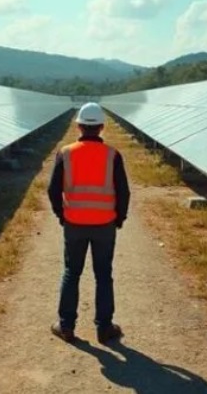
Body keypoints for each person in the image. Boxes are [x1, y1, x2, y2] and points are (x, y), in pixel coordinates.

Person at [48, 102, 130, 345]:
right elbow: (123, 192)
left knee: (71, 273)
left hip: (74, 224)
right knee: (103, 275)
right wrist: (119, 218)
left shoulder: (65, 153)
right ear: (102, 127)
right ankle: (104, 328)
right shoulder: (113, 155)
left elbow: (53, 189)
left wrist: (61, 214)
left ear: (79, 126)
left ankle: (66, 326)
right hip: (105, 224)